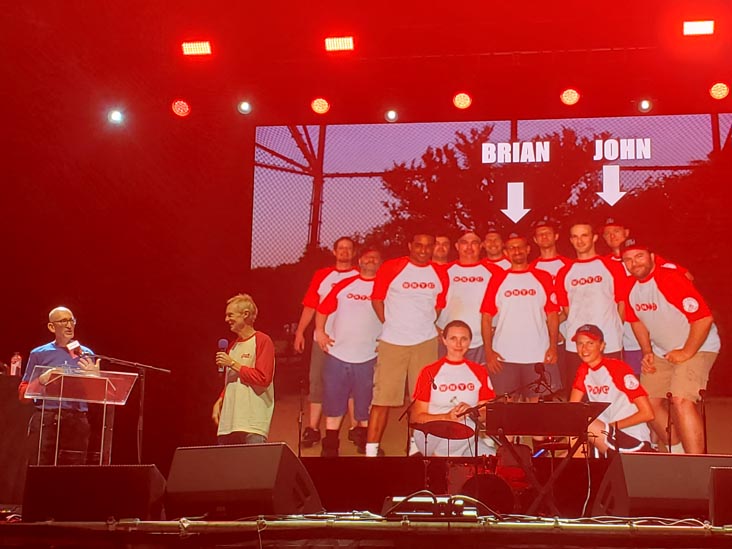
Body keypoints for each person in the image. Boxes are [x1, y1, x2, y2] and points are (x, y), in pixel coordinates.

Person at [621, 239, 719, 454]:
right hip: (662, 351)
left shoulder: (669, 279)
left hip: (698, 345)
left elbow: (703, 319)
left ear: (652, 257)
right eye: (628, 259)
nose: (634, 263)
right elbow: (635, 320)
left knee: (680, 400)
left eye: (639, 256)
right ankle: (678, 452)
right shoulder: (629, 286)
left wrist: (686, 352)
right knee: (647, 404)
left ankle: (696, 465)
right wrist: (646, 351)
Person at [366, 232, 449, 456]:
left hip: (425, 342)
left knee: (421, 398)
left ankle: (415, 449)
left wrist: (424, 324)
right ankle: (371, 451)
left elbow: (438, 307)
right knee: (382, 399)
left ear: (434, 247)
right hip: (393, 342)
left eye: (428, 246)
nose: (423, 250)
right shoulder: (392, 267)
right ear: (410, 245)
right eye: (418, 245)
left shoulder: (440, 273)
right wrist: (391, 324)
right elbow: (377, 300)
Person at [601, 217, 692, 376]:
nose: (612, 236)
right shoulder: (603, 263)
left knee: (654, 380)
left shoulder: (646, 258)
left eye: (616, 231)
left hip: (650, 330)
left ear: (626, 232)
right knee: (628, 379)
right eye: (607, 233)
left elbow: (687, 276)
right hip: (622, 334)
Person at [314, 247, 383, 456]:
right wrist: (320, 332)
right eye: (367, 257)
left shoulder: (385, 289)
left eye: (376, 258)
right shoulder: (344, 285)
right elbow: (323, 309)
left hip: (368, 356)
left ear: (381, 264)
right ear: (360, 261)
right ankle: (331, 445)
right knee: (334, 402)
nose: (371, 260)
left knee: (365, 403)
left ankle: (364, 441)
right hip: (338, 354)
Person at [293, 237, 358, 448]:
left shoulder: (361, 275)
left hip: (352, 342)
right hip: (323, 340)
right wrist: (300, 332)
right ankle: (312, 429)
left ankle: (356, 429)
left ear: (354, 252)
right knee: (317, 382)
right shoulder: (322, 275)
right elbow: (311, 306)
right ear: (334, 251)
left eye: (349, 249)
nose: (345, 252)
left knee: (352, 386)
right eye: (341, 248)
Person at [480, 234, 560, 401]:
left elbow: (552, 315)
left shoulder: (543, 277)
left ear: (528, 250)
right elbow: (486, 317)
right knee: (506, 404)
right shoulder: (498, 279)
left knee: (535, 404)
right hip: (504, 354)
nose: (516, 251)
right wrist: (488, 351)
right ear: (506, 253)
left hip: (537, 353)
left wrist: (553, 346)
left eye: (520, 247)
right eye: (512, 248)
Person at [18, 306, 99, 465]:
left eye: (72, 320)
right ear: (51, 327)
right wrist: (42, 379)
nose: (69, 325)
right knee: (40, 471)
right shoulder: (39, 353)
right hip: (47, 421)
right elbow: (23, 396)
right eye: (63, 321)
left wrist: (95, 378)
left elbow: (98, 397)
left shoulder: (86, 354)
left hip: (77, 422)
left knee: (72, 476)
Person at [555, 222, 626, 395]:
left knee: (611, 394)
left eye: (584, 235)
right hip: (576, 347)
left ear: (594, 238)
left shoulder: (612, 267)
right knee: (580, 396)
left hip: (608, 342)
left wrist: (615, 330)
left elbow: (622, 303)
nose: (580, 241)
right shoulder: (564, 272)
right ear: (571, 240)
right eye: (575, 236)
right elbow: (566, 310)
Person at [411, 320, 496, 456]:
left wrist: (473, 412)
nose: (458, 344)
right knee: (467, 427)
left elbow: (488, 413)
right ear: (444, 340)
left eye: (464, 339)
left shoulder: (479, 372)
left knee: (492, 461)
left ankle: (441, 458)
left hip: (465, 435)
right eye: (453, 338)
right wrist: (446, 417)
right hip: (430, 434)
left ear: (470, 342)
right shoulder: (429, 371)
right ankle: (440, 462)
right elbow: (416, 417)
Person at [569, 324, 654, 455]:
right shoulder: (583, 370)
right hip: (607, 437)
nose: (584, 348)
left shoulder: (617, 368)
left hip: (632, 439)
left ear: (602, 346)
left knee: (585, 422)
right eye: (580, 343)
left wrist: (610, 427)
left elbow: (647, 413)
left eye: (590, 343)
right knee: (574, 423)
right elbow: (571, 409)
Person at [212, 294, 275, 445]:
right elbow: (233, 380)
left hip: (251, 424)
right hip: (228, 423)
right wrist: (220, 400)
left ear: (245, 314)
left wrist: (233, 363)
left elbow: (263, 378)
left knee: (252, 468)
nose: (226, 320)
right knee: (227, 468)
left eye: (230, 315)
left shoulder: (262, 340)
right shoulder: (232, 346)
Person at [436, 230, 500, 363]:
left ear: (481, 246)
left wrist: (497, 326)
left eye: (474, 243)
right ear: (457, 246)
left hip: (482, 341)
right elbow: (430, 304)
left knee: (479, 382)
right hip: (448, 340)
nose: (469, 247)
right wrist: (434, 327)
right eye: (464, 243)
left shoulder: (495, 272)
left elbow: (503, 304)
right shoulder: (443, 272)